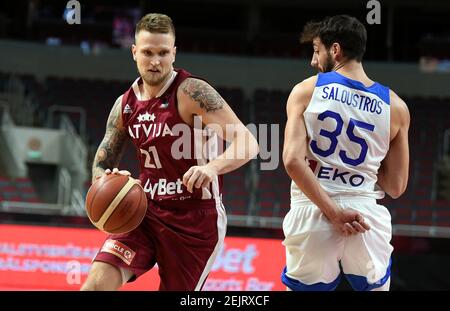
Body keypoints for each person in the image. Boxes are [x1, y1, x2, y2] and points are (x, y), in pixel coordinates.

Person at [81, 13, 259, 291]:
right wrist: (109, 179)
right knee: (95, 284)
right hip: (144, 210)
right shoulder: (124, 104)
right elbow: (102, 161)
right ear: (134, 52)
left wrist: (211, 167)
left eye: (163, 53)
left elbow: (249, 143)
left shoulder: (192, 92)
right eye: (148, 52)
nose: (155, 61)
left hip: (195, 219)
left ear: (174, 53)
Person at [281, 15, 410, 291]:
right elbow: (396, 186)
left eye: (317, 51)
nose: (314, 62)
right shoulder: (396, 107)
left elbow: (292, 161)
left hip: (312, 208)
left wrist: (335, 212)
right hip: (365, 215)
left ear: (335, 50)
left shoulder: (306, 91)